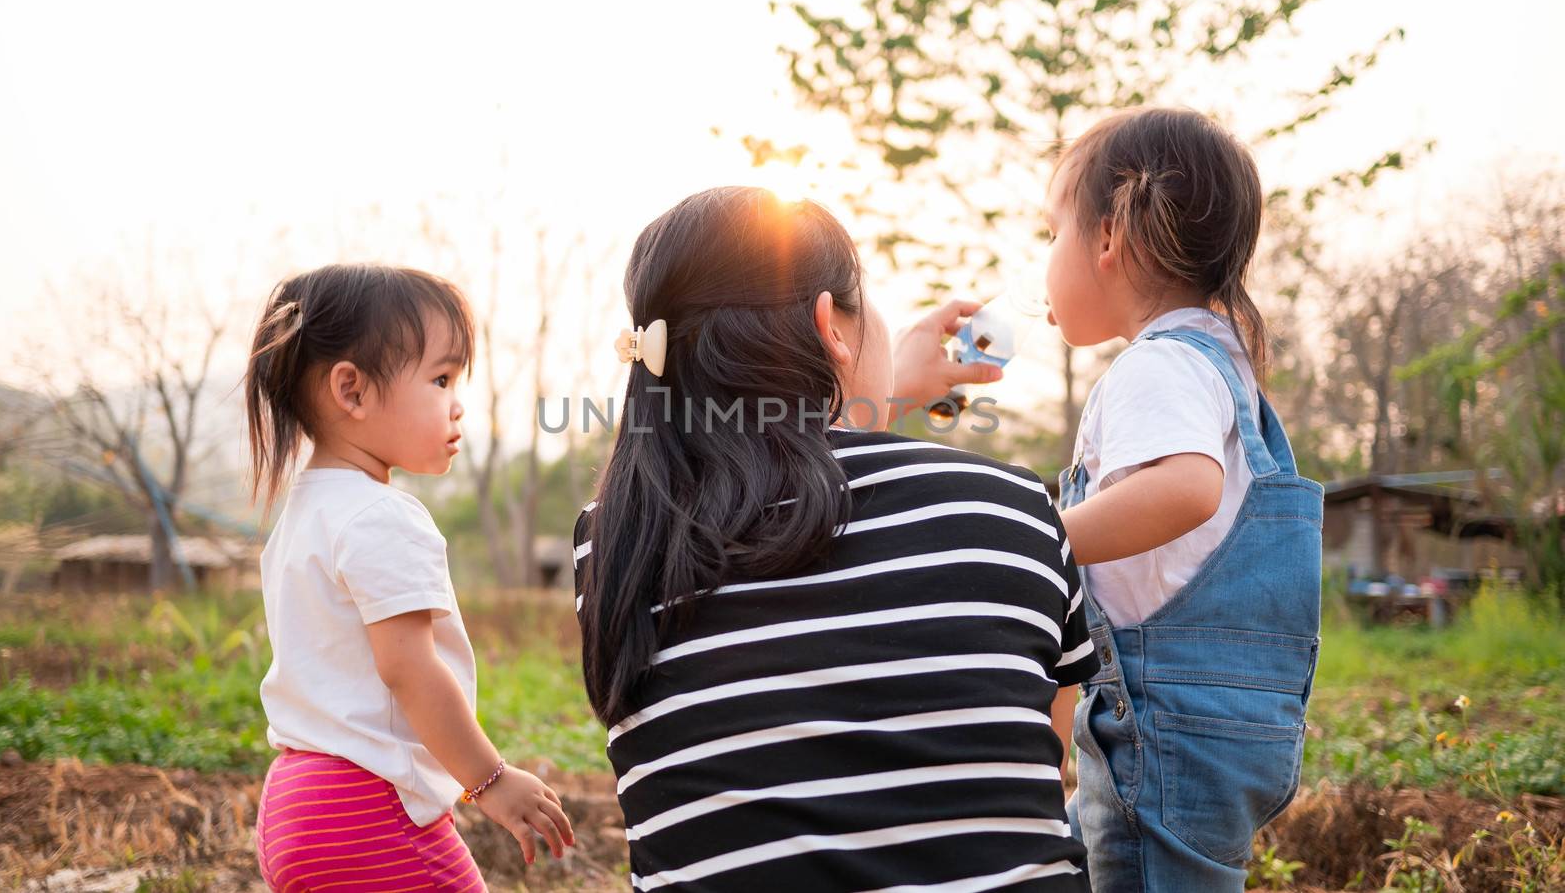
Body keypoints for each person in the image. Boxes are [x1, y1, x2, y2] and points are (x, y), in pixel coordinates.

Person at [574, 186, 1098, 892]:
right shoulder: (1011, 507)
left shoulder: (619, 539)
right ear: (832, 324)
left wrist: (862, 387)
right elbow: (1026, 770)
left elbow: (783, 469)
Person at [1043, 107, 1323, 892]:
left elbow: (1186, 488)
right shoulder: (1222, 364)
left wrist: (1044, 535)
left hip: (1162, 729)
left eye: (1051, 231)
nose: (1045, 257)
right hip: (1224, 722)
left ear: (1108, 236)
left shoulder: (1156, 364)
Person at [243, 263, 572, 892]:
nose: (457, 403)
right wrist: (492, 782)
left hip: (292, 802)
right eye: (441, 378)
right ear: (353, 391)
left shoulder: (303, 514)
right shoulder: (382, 516)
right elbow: (410, 668)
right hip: (365, 805)